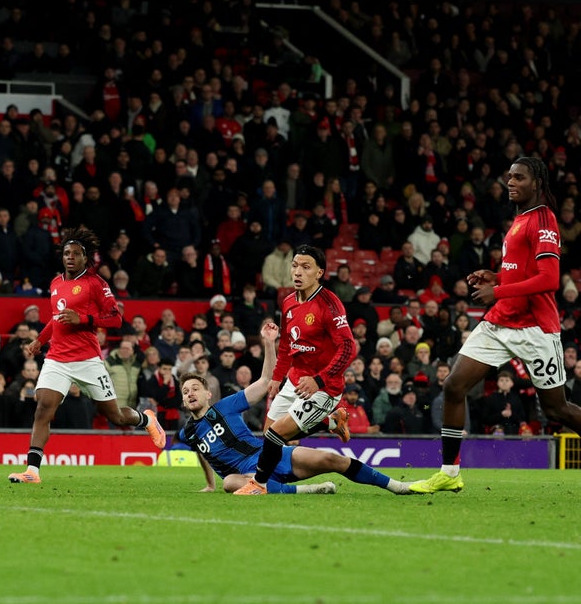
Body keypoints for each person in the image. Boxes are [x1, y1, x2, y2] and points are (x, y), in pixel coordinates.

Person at [411, 158, 581, 493]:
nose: (510, 182)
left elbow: (548, 279)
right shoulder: (519, 219)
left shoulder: (544, 218)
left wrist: (497, 290)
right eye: (509, 177)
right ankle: (449, 472)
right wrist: (496, 277)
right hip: (500, 321)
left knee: (556, 409)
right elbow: (522, 273)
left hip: (535, 328)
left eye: (519, 177)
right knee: (454, 386)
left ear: (538, 182)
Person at [179, 321, 412, 496]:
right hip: (242, 476)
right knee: (229, 483)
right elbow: (201, 451)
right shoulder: (187, 431)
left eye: (195, 389)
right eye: (185, 391)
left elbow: (263, 381)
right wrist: (210, 484)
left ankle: (397, 486)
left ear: (208, 393)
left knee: (332, 460)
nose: (190, 393)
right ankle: (309, 489)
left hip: (270, 457)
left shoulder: (226, 406)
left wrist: (268, 344)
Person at [8, 226, 166, 483]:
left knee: (114, 415)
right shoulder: (56, 283)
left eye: (75, 253)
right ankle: (32, 472)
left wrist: (82, 318)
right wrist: (40, 339)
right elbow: (56, 319)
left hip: (87, 360)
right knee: (43, 409)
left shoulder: (95, 284)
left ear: (85, 257)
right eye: (66, 253)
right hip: (57, 358)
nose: (69, 257)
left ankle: (145, 418)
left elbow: (116, 319)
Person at [235, 244, 353, 495]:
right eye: (295, 265)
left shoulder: (330, 305)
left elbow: (348, 349)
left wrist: (319, 381)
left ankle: (260, 485)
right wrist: (276, 379)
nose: (298, 272)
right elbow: (288, 344)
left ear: (319, 272)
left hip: (322, 385)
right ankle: (332, 423)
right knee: (269, 435)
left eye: (305, 267)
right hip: (294, 379)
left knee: (278, 434)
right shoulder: (288, 302)